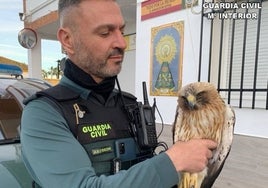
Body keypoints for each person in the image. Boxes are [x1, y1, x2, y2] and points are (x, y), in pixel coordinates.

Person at [21, 0, 217, 187]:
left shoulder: (128, 104)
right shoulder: (43, 115)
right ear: (68, 40)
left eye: (121, 31)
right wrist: (173, 162)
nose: (122, 43)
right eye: (105, 33)